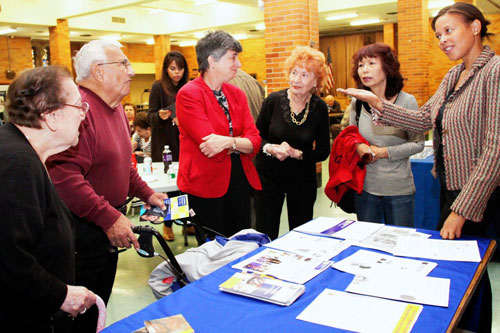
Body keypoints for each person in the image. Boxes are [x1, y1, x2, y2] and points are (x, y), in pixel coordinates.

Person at [338, 3, 498, 331]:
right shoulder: (455, 75)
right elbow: (423, 119)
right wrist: (377, 103)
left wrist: (461, 210)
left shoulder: (494, 72)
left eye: (449, 30)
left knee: (470, 270)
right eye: (438, 34)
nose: (442, 39)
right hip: (452, 188)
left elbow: (495, 150)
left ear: (476, 27)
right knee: (463, 269)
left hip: (479, 195)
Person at [46, 39, 167, 333]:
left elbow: (123, 165)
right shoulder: (80, 110)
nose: (131, 70)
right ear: (99, 71)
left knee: (99, 305)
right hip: (82, 231)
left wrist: (146, 192)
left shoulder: (113, 109)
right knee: (79, 314)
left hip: (104, 226)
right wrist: (109, 217)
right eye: (123, 64)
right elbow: (65, 178)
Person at [0, 66, 96, 332]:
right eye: (79, 107)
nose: (83, 116)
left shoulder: (23, 153)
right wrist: (60, 295)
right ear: (52, 117)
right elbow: (7, 257)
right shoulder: (17, 163)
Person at [176, 30, 262, 237]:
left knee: (241, 244)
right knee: (212, 251)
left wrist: (228, 142)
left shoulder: (237, 95)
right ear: (212, 61)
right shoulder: (189, 94)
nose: (239, 64)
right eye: (233, 57)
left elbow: (256, 141)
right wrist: (239, 143)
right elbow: (210, 146)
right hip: (204, 184)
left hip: (238, 180)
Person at [254, 46, 330, 240]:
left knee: (301, 234)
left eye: (305, 75)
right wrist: (270, 147)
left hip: (302, 180)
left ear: (315, 81)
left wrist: (299, 154)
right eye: (294, 73)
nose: (296, 80)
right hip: (268, 178)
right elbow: (256, 136)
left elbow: (323, 151)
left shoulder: (319, 108)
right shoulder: (272, 100)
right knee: (265, 231)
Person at [349, 43, 424, 227]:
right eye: (360, 65)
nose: (364, 70)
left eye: (371, 63)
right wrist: (360, 148)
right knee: (366, 244)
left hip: (399, 189)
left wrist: (383, 152)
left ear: (387, 67)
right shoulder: (357, 102)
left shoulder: (406, 101)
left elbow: (418, 143)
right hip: (365, 188)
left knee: (400, 243)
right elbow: (351, 136)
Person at [148, 51, 189, 240]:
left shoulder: (188, 87)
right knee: (167, 186)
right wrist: (159, 116)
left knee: (184, 184)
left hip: (183, 141)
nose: (177, 73)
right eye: (173, 69)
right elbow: (149, 116)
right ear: (166, 69)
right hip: (163, 142)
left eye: (180, 68)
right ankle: (167, 224)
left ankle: (185, 221)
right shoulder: (158, 87)